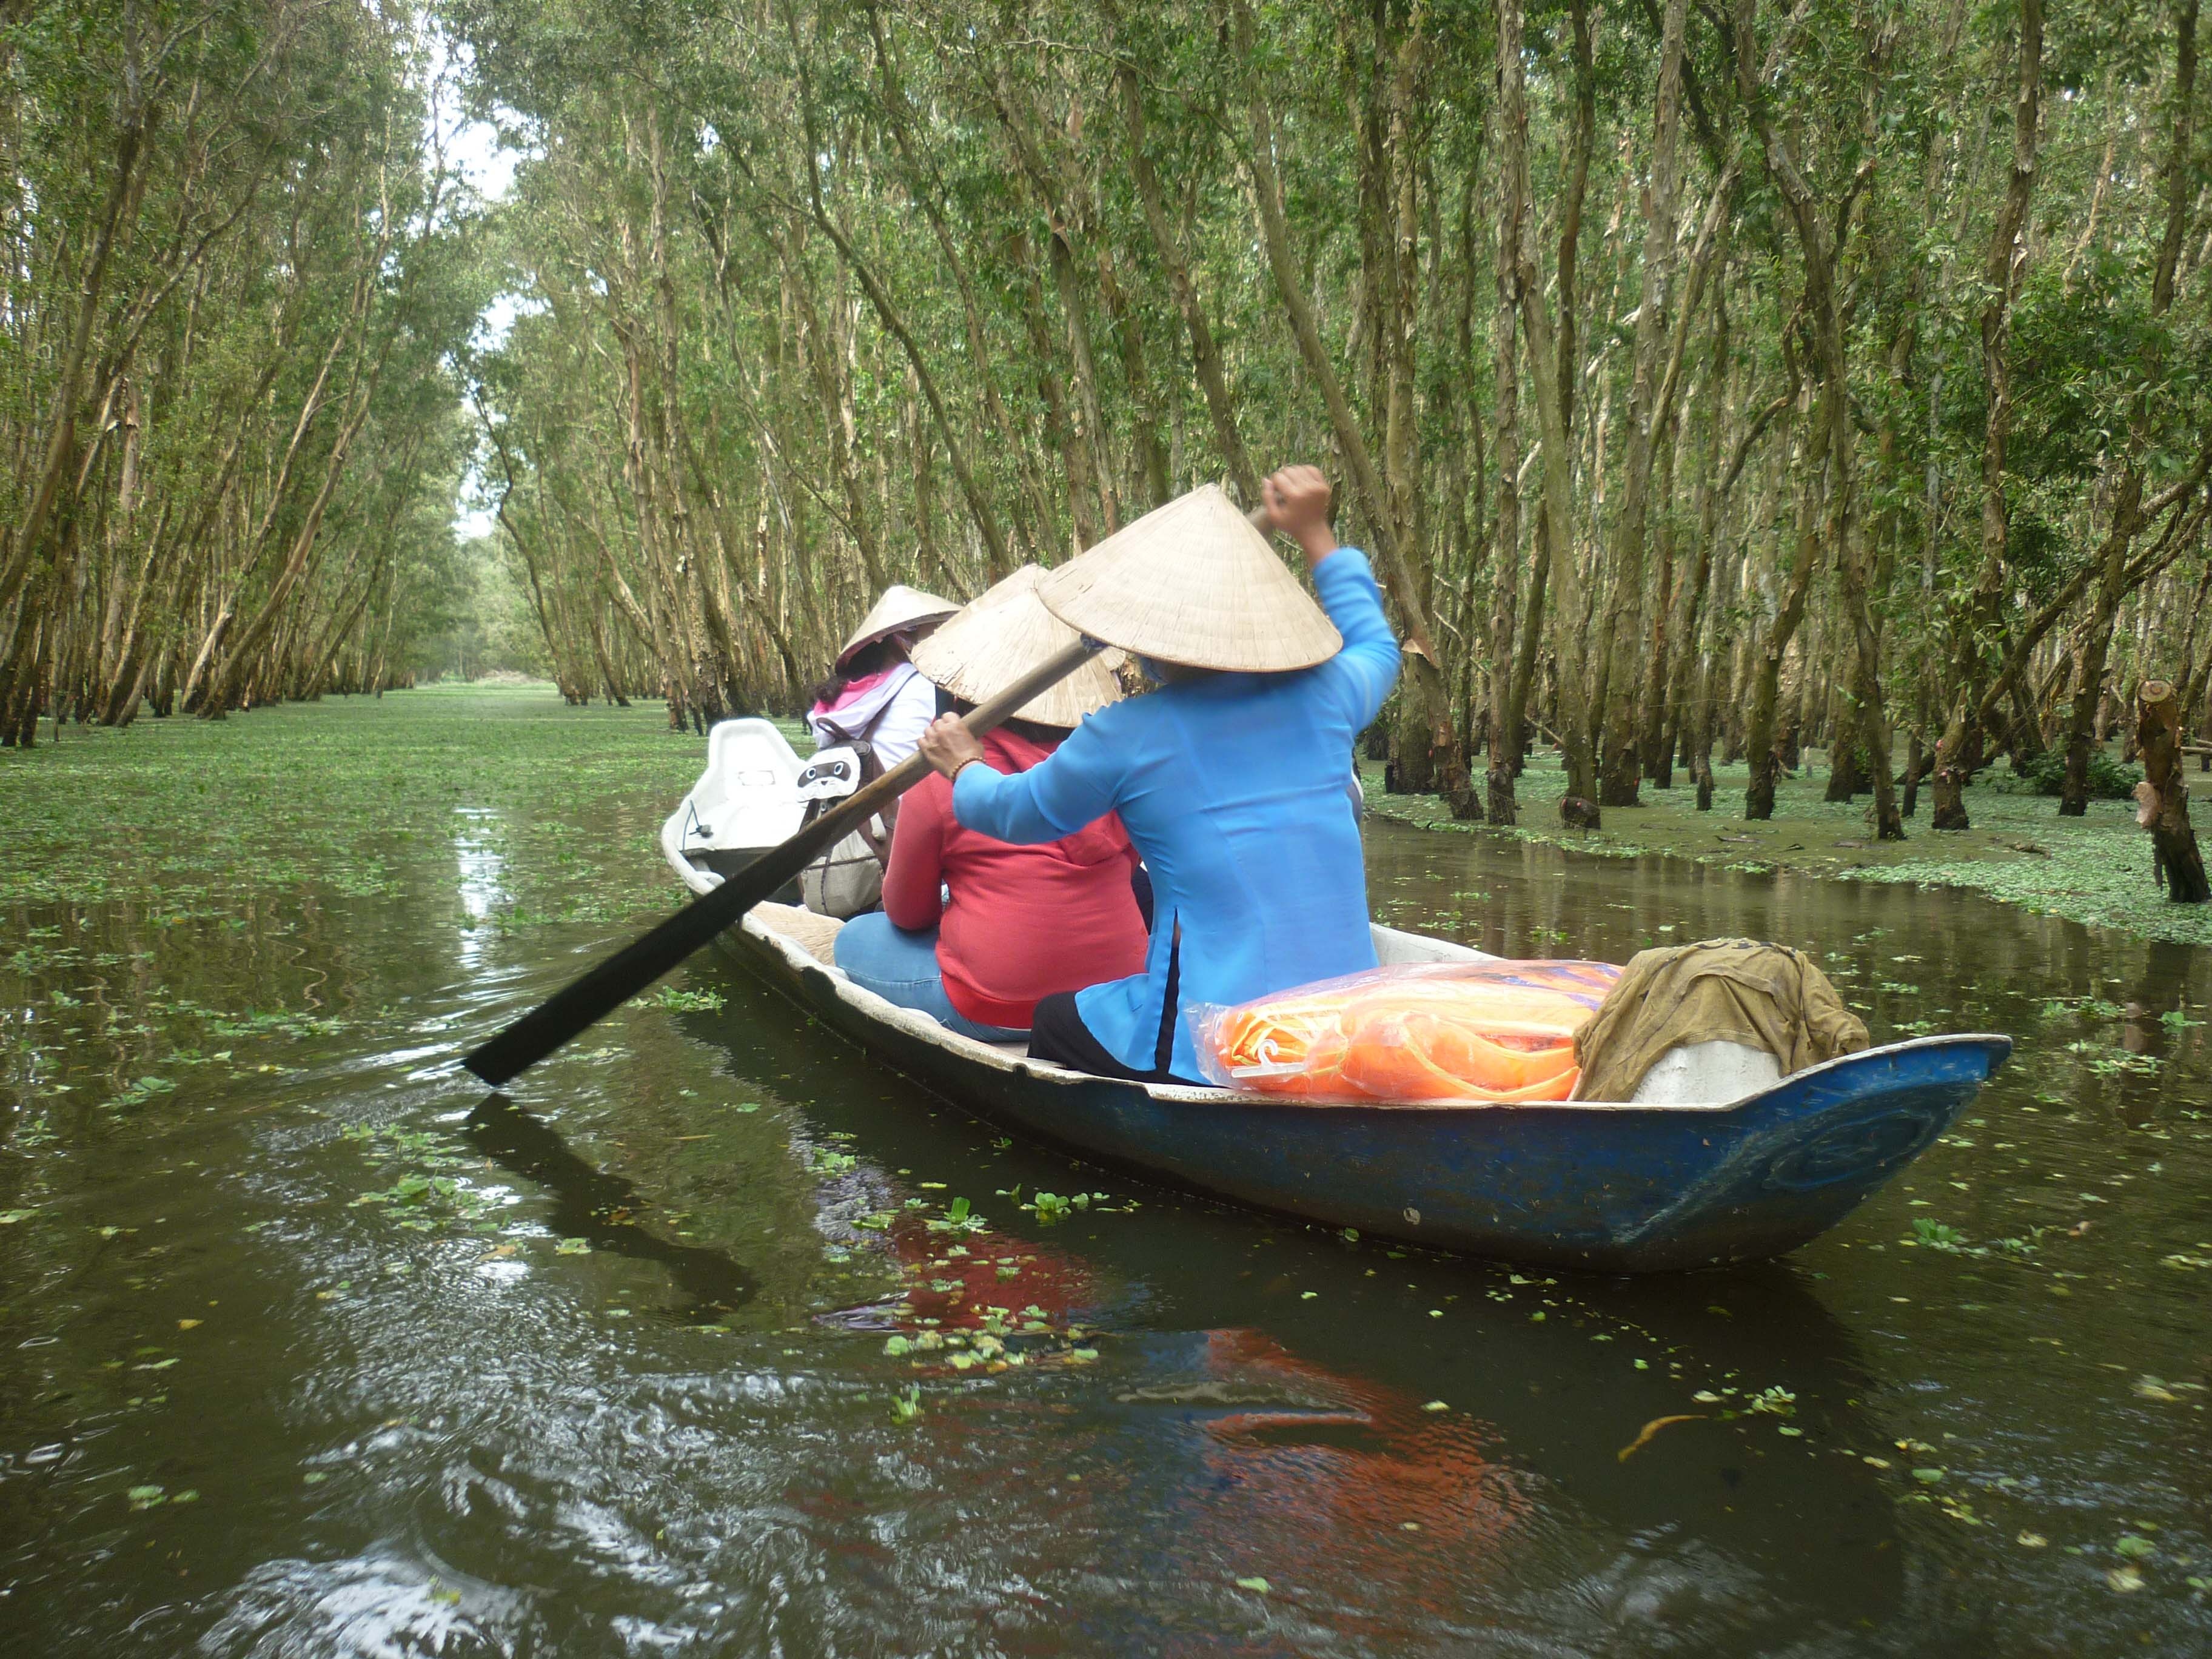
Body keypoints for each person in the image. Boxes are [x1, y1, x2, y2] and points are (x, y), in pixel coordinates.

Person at [916, 467, 1398, 1084]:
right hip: (1347, 1019)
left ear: (1148, 640)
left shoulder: (1126, 734)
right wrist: (1316, 534)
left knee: (1055, 1018)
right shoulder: (1326, 694)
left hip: (1220, 1036)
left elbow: (1013, 813)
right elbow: (1378, 648)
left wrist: (963, 765)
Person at [833, 568, 1148, 1041]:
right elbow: (1126, 872)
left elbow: (908, 914)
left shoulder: (942, 778)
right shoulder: (1118, 762)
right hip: (1118, 994)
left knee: (854, 938)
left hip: (997, 1005)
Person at [806, 583, 957, 768]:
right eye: (936, 628)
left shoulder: (847, 694)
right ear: (905, 634)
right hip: (903, 794)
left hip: (855, 794)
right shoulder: (928, 685)